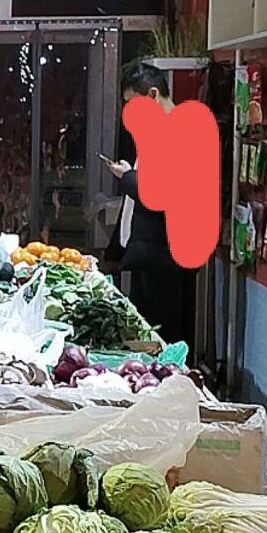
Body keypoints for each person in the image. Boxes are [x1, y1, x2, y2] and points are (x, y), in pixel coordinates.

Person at [103, 62, 200, 349]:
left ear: (153, 94)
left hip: (165, 259)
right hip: (147, 254)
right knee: (145, 335)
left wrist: (126, 177)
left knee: (163, 337)